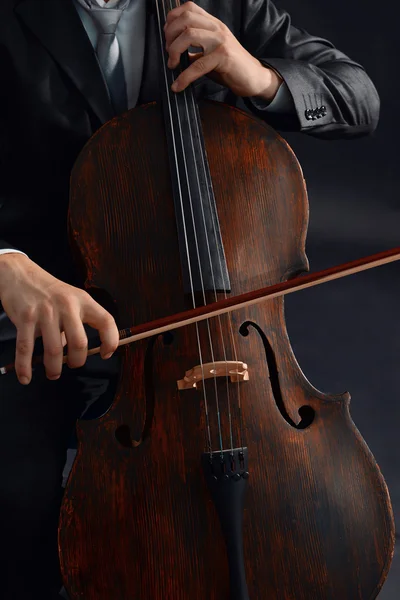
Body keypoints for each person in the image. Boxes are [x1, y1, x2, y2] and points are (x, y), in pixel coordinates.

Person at [0, 0, 380, 598]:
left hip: (207, 334)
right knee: (15, 509)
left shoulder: (221, 4)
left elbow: (359, 96)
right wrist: (5, 264)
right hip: (41, 333)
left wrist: (258, 75)